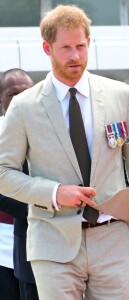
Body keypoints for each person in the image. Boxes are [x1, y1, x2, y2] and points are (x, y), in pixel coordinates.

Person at [0, 5, 129, 300]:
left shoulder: (119, 95)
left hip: (113, 236)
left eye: (81, 46)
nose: (75, 56)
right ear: (47, 48)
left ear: (89, 43)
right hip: (52, 240)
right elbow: (3, 173)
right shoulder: (23, 106)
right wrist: (54, 192)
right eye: (66, 48)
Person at [0, 68, 36, 300]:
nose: (20, 99)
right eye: (13, 93)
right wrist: (33, 209)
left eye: (27, 92)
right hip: (3, 236)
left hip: (40, 236)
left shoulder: (49, 130)